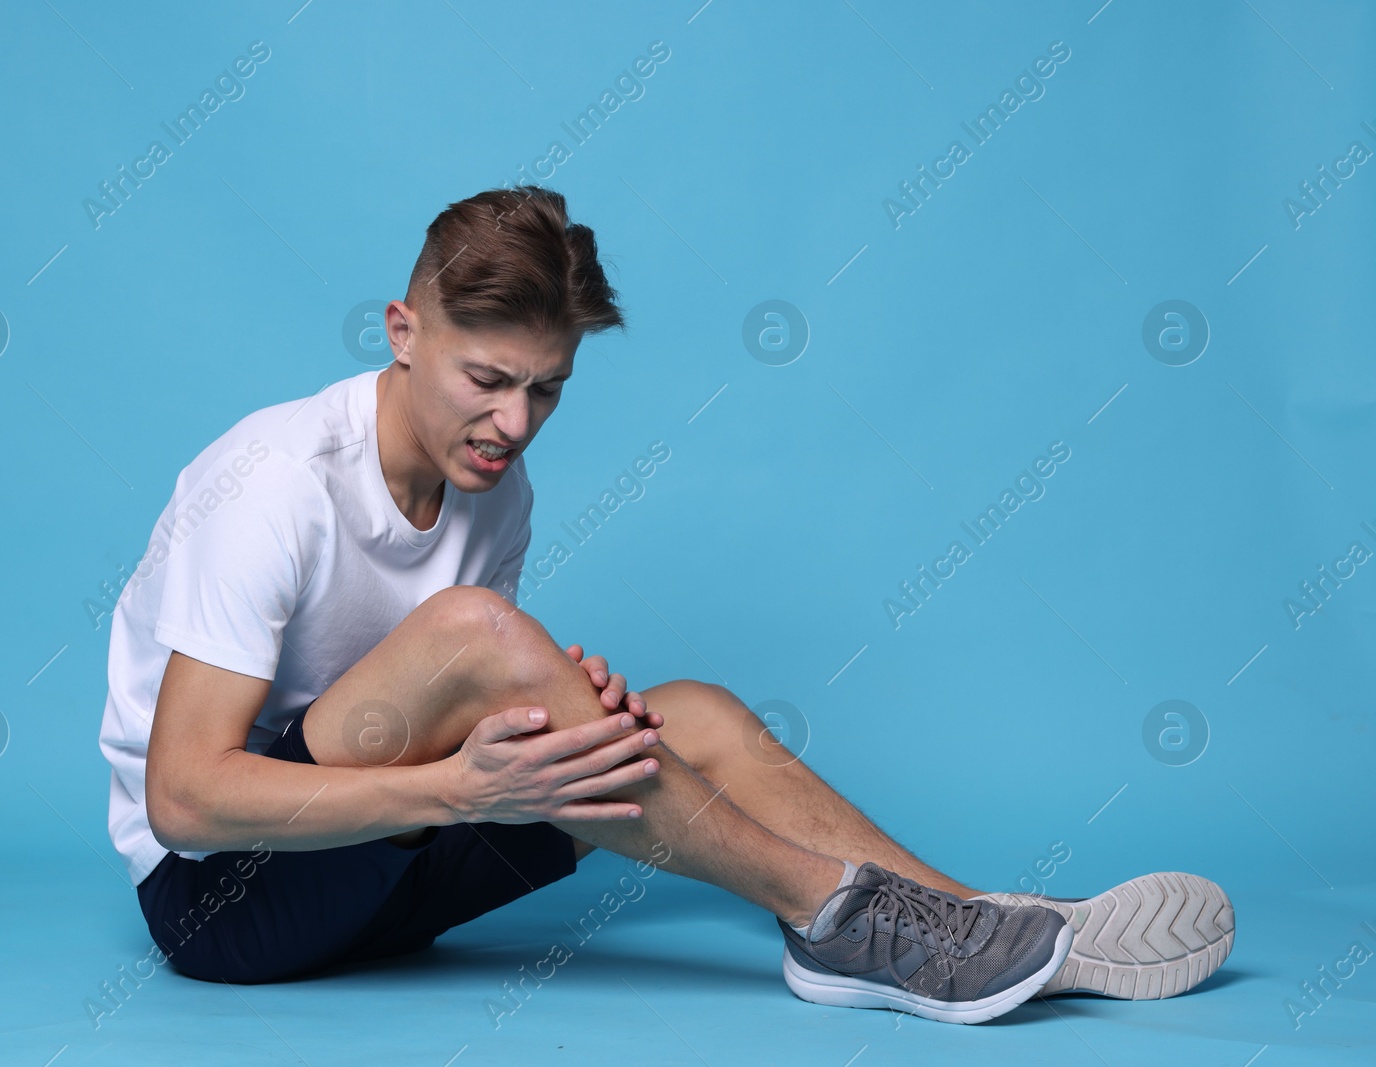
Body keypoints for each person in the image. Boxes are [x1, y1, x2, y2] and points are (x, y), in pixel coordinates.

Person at [97, 185, 1234, 1024]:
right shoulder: (273, 480)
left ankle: (984, 922)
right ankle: (837, 919)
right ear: (402, 332)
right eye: (485, 380)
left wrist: (546, 718)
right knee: (476, 635)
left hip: (393, 864)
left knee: (686, 712)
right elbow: (188, 796)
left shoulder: (499, 488)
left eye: (547, 389)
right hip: (226, 900)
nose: (514, 422)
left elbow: (468, 699)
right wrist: (458, 777)